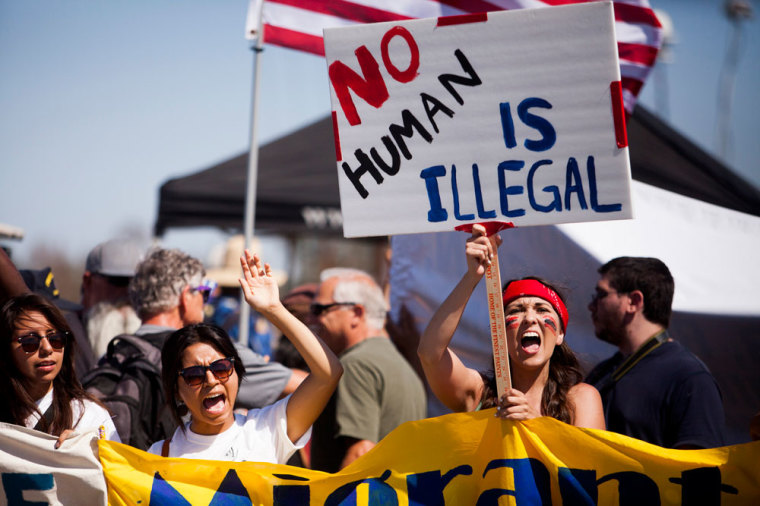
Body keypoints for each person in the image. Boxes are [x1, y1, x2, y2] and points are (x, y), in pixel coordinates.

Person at [147, 251, 343, 462]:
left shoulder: (266, 430)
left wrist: (274, 310)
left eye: (221, 368)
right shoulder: (160, 456)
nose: (211, 381)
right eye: (195, 375)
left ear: (237, 373)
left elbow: (329, 373)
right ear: (176, 390)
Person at [418, 224, 605, 429]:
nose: (529, 318)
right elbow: (430, 354)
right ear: (500, 332)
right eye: (516, 310)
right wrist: (472, 277)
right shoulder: (479, 394)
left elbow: (587, 460)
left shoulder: (580, 399)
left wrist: (537, 424)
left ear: (560, 334)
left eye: (542, 309)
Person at [585, 256, 725, 448]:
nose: (591, 306)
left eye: (601, 295)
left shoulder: (689, 378)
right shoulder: (601, 372)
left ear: (634, 301)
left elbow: (701, 467)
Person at [309, 267, 427, 473]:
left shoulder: (356, 364)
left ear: (356, 313)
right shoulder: (396, 361)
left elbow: (360, 452)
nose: (312, 320)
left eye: (320, 310)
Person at [0, 293, 120, 446]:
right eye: (30, 342)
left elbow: (115, 468)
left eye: (55, 339)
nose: (47, 348)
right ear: (5, 351)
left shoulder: (88, 417)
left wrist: (87, 450)